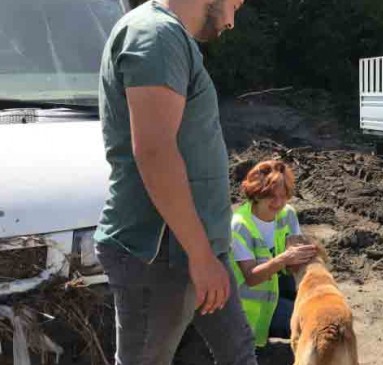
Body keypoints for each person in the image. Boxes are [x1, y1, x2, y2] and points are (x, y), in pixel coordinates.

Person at [93, 0, 258, 364]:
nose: (233, 20)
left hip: (194, 246)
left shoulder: (171, 38)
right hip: (163, 253)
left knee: (239, 351)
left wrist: (205, 252)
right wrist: (200, 256)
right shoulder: (155, 36)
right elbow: (154, 151)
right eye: (237, 3)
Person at [230, 160, 317, 348]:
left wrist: (305, 255)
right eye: (271, 196)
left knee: (316, 311)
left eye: (283, 196)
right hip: (251, 307)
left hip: (275, 290)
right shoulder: (239, 226)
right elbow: (251, 278)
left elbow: (295, 264)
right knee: (308, 324)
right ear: (256, 194)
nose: (278, 203)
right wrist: (285, 258)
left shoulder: (287, 214)